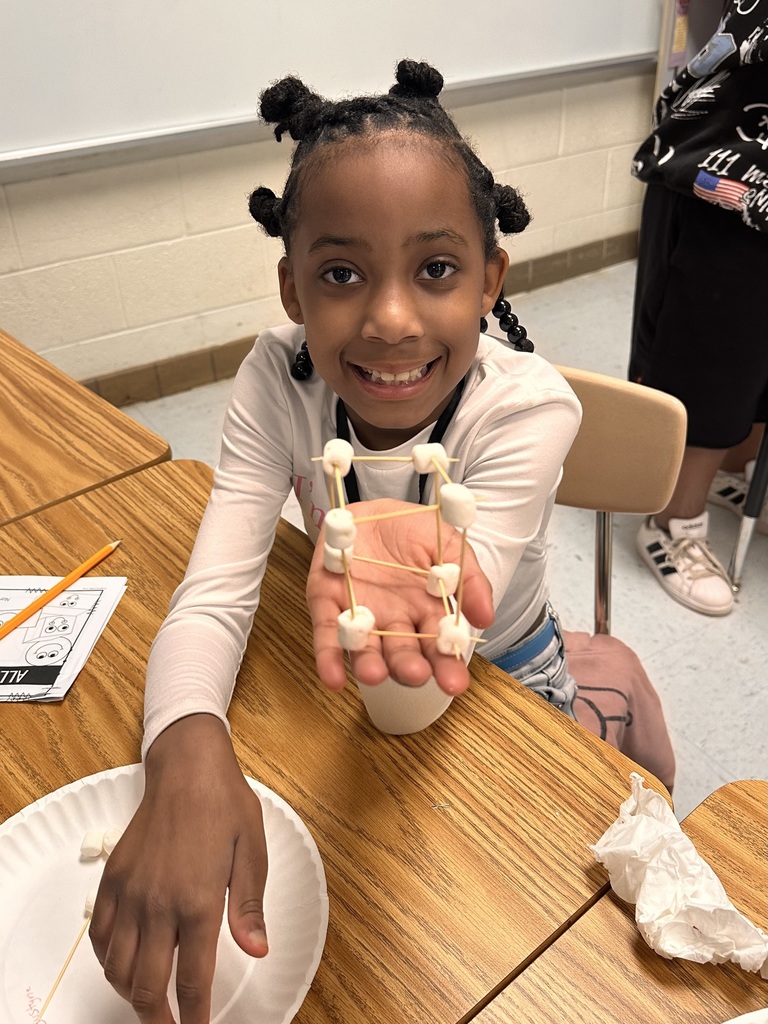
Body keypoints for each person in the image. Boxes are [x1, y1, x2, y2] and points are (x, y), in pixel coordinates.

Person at [88, 58, 648, 1022]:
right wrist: (182, 749)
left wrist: (396, 600)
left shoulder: (528, 411)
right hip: (348, 657)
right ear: (292, 288)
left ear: (489, 280)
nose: (390, 321)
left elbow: (431, 670)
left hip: (503, 674)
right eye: (341, 273)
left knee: (500, 918)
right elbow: (216, 595)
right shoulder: (275, 381)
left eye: (436, 269)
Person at [630, 0, 768, 616]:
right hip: (728, 170)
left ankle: (735, 476)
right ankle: (671, 520)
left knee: (759, 358)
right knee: (711, 356)